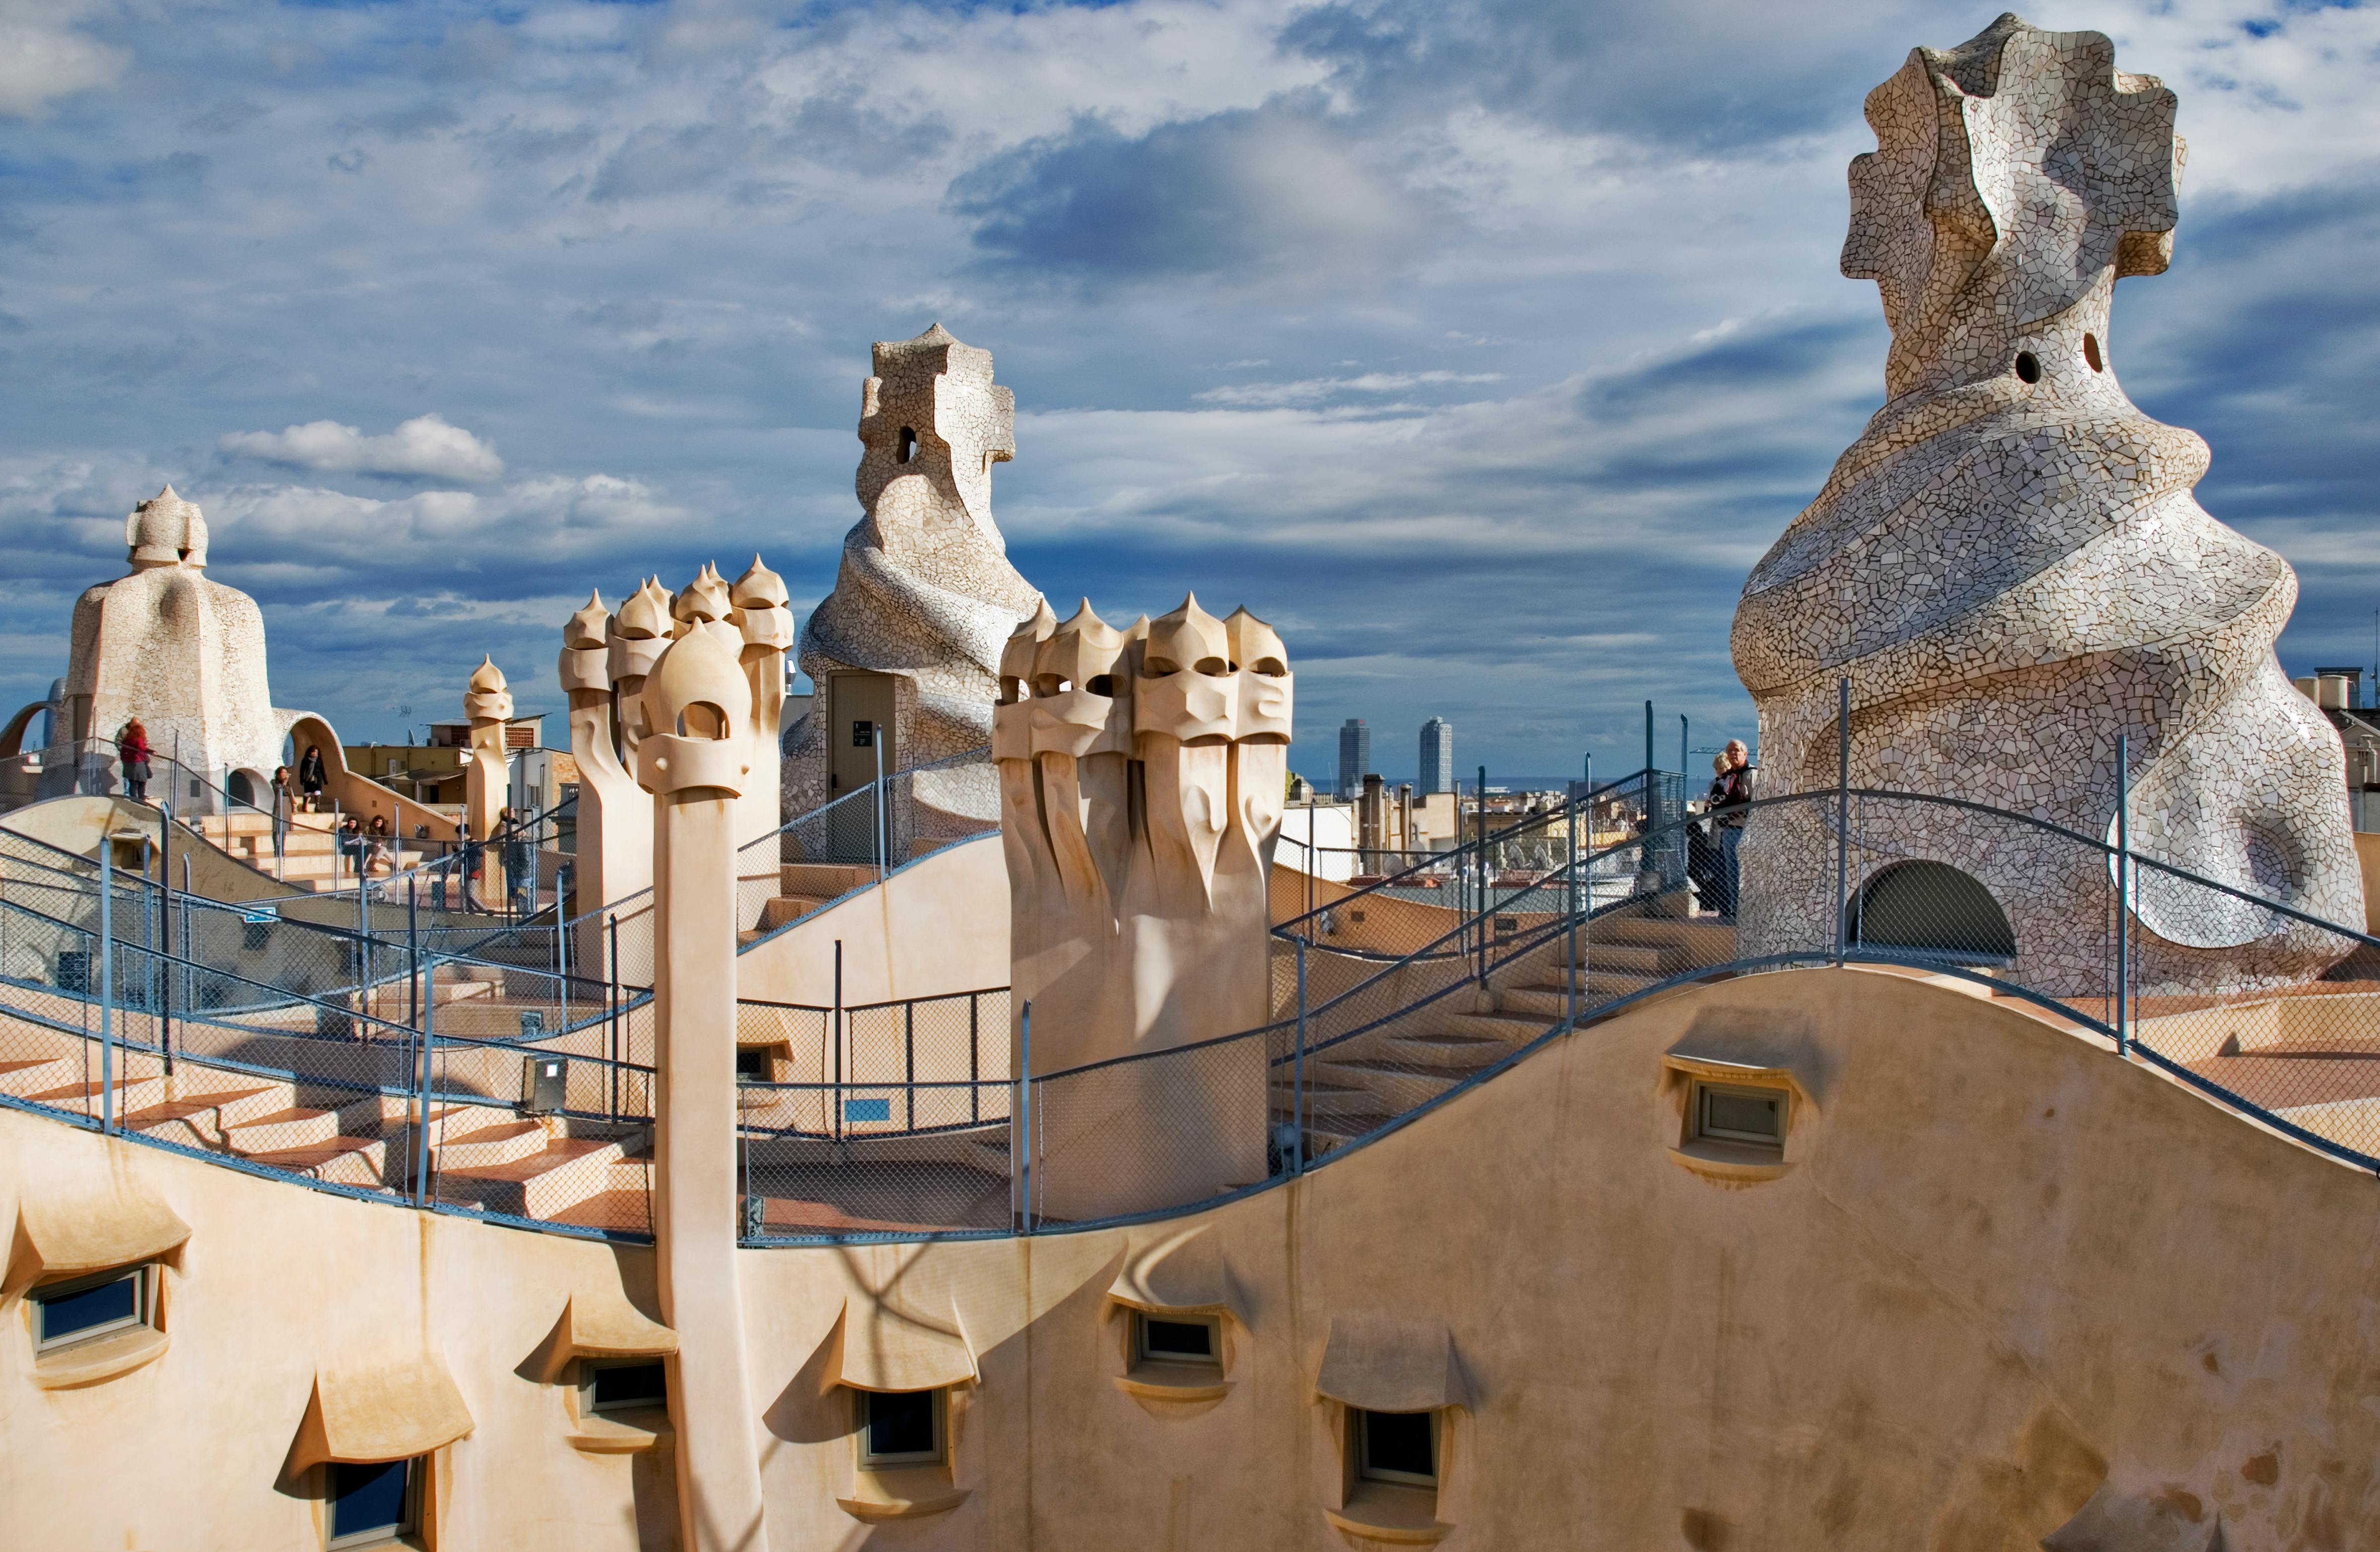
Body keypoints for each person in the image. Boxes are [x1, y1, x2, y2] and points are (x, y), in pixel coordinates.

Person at [1710, 738, 1756, 921]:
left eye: (1737, 750)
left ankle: (1745, 913)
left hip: (1746, 830)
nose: (1733, 754)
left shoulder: (1751, 775)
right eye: (1730, 751)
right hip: (1729, 830)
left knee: (1743, 874)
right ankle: (1736, 912)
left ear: (1745, 754)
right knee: (1732, 874)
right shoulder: (1727, 778)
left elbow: (1757, 803)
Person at [116, 718, 152, 803]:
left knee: (133, 782)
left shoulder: (128, 740)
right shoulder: (127, 733)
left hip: (130, 760)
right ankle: (139, 799)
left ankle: (135, 799)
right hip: (136, 761)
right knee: (140, 781)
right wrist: (150, 751)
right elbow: (141, 747)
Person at [297, 744, 328, 813]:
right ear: (310, 752)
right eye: (313, 752)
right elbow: (302, 770)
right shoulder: (306, 760)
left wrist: (325, 779)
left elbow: (322, 769)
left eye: (316, 752)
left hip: (318, 778)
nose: (315, 754)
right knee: (308, 793)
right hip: (309, 778)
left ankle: (317, 807)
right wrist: (302, 779)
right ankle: (304, 805)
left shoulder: (319, 760)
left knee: (318, 792)